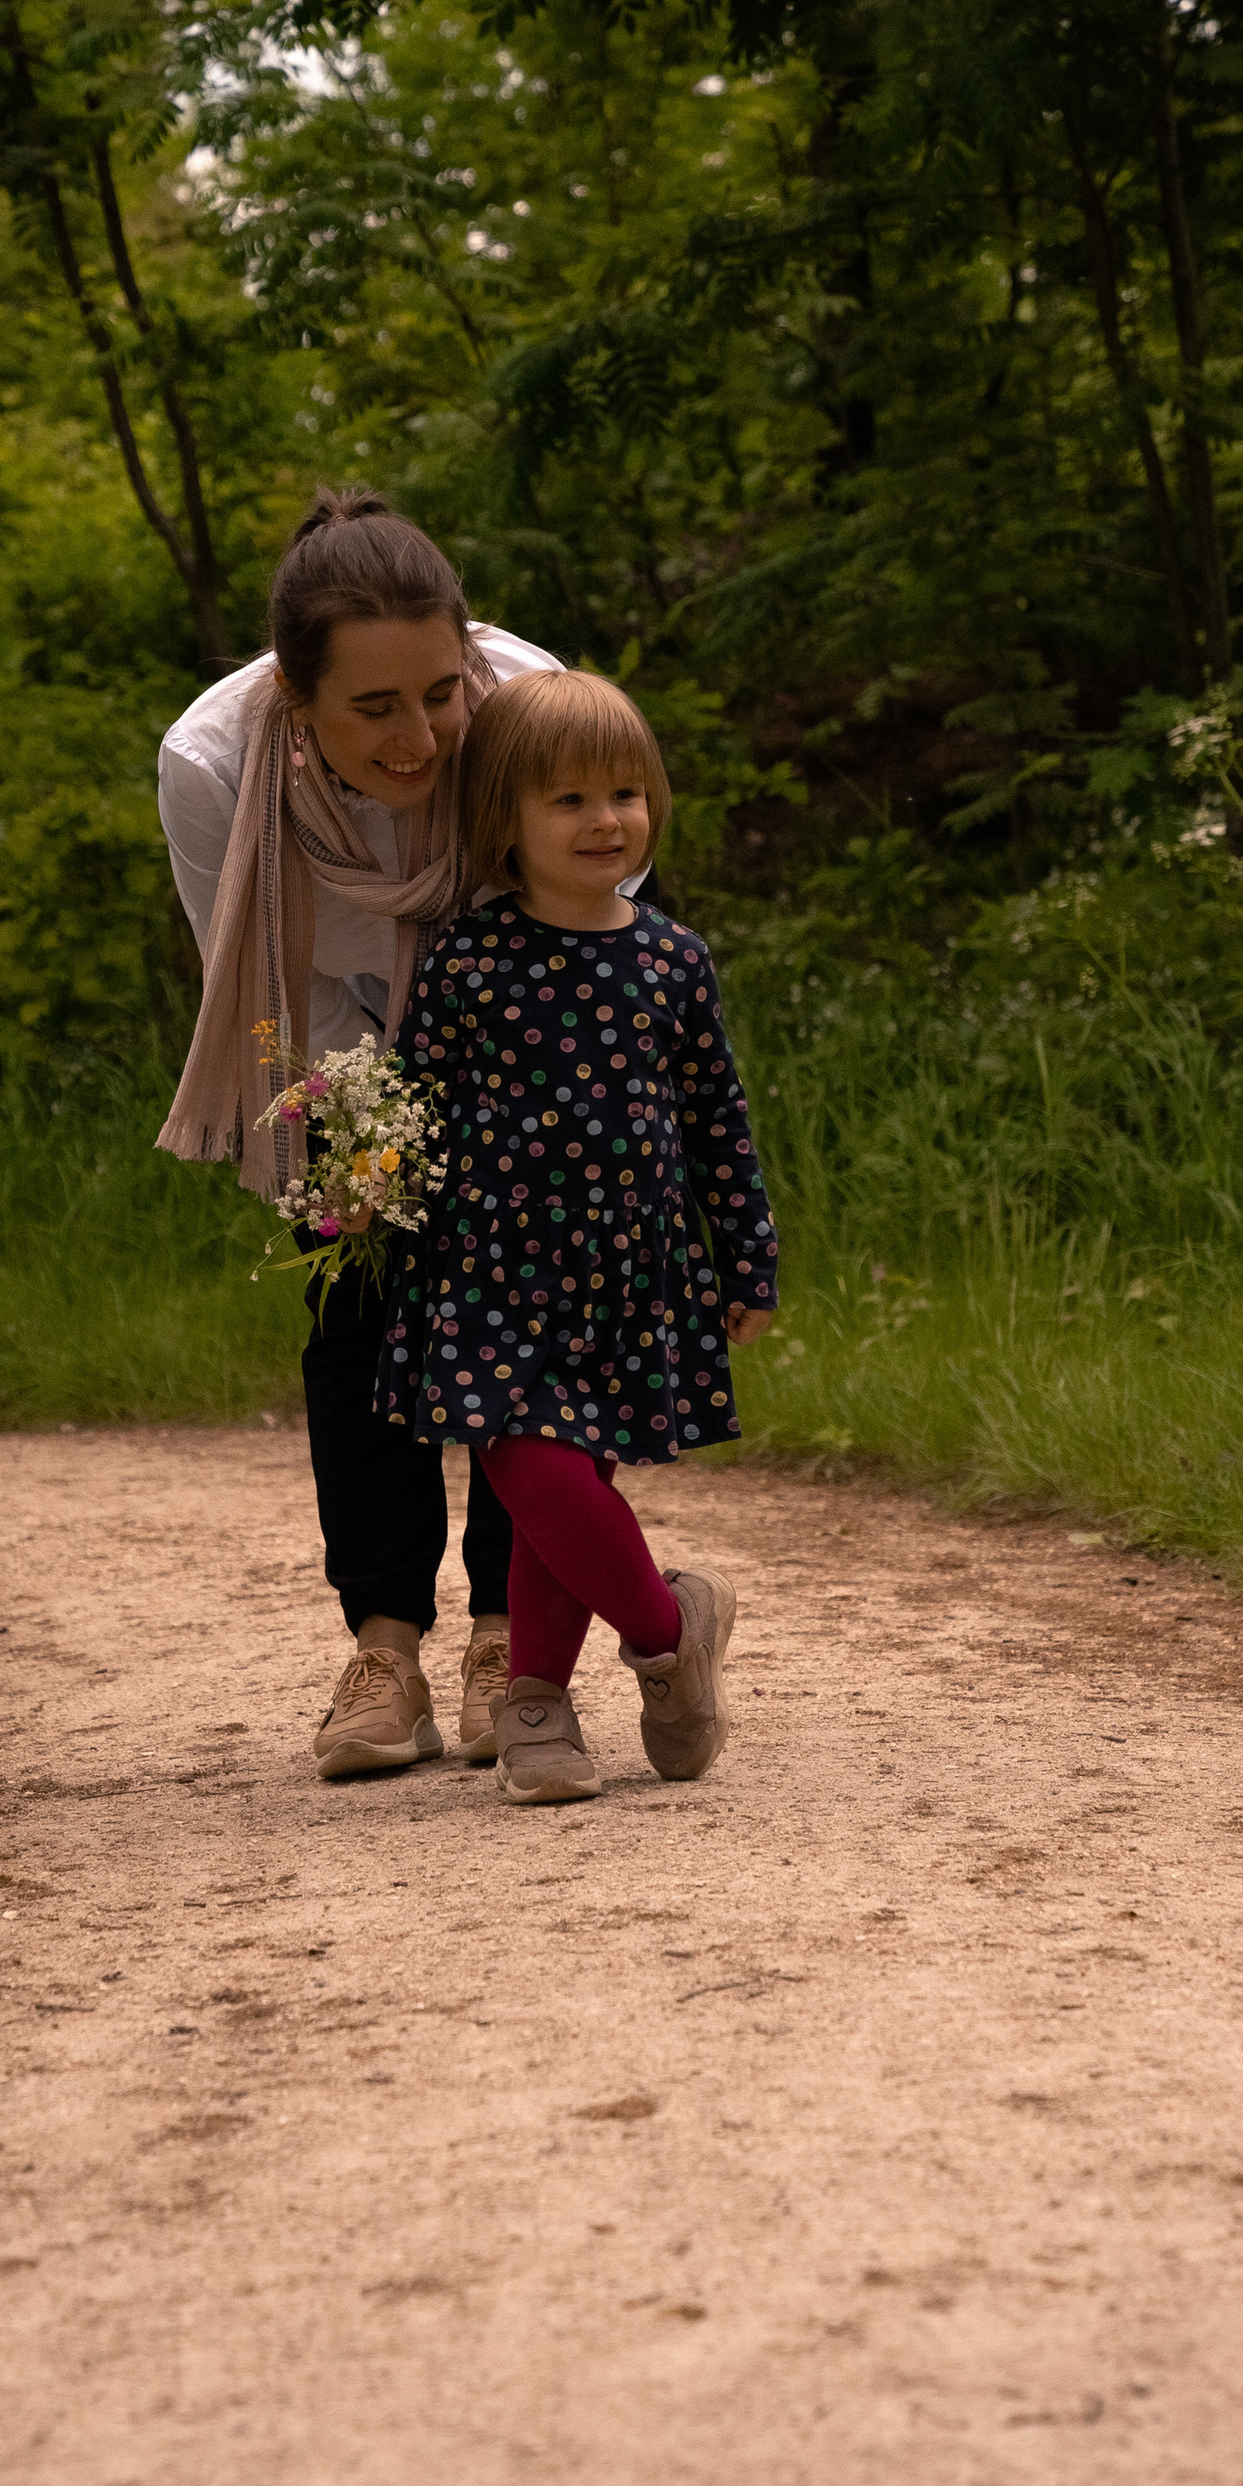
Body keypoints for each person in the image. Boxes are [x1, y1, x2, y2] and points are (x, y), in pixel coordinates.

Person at [157, 490, 576, 1780]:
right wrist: (376, 1134)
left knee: (530, 1328)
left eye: (442, 695)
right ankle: (385, 1649)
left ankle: (512, 1641)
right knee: (362, 1323)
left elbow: (587, 920)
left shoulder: (534, 707)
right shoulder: (213, 765)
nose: (422, 738)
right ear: (296, 694)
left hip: (531, 1018)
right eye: (374, 708)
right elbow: (261, 975)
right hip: (333, 1038)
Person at [377, 667, 779, 1805]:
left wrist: (745, 1256)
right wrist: (367, 1183)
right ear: (503, 818)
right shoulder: (466, 961)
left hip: (624, 1269)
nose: (605, 821)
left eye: (625, 794)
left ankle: (538, 1702)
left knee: (562, 1480)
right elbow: (420, 1106)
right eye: (568, 801)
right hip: (488, 1266)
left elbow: (716, 1120)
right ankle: (668, 1630)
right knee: (523, 1460)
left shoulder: (669, 959)